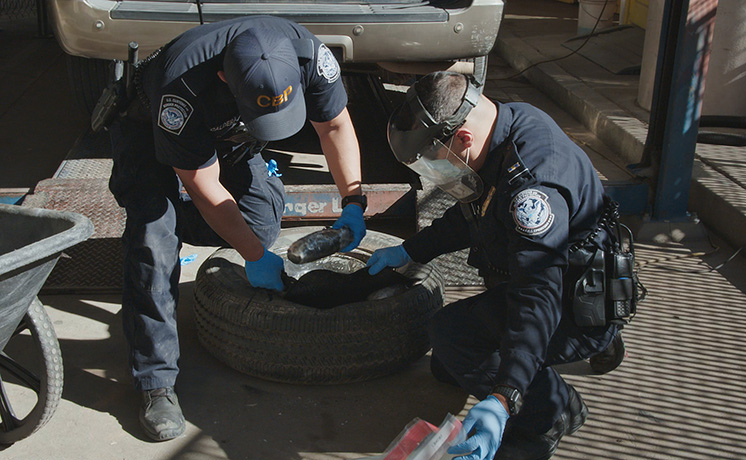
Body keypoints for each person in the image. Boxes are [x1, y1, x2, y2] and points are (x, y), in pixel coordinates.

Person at [107, 16, 367, 441]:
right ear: (226, 76)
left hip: (226, 130)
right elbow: (204, 184)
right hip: (149, 124)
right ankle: (156, 382)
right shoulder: (181, 88)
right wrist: (251, 256)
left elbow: (335, 126)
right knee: (154, 241)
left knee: (259, 224)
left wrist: (354, 202)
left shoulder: (308, 55)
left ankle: (177, 228)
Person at [366, 71, 621, 460]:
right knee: (447, 368)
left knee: (450, 335)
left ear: (462, 139)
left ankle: (552, 411)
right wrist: (411, 250)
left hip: (571, 303)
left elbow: (537, 300)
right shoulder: (507, 124)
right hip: (579, 274)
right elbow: (475, 211)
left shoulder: (532, 191)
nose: (433, 172)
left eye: (429, 160)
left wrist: (505, 397)